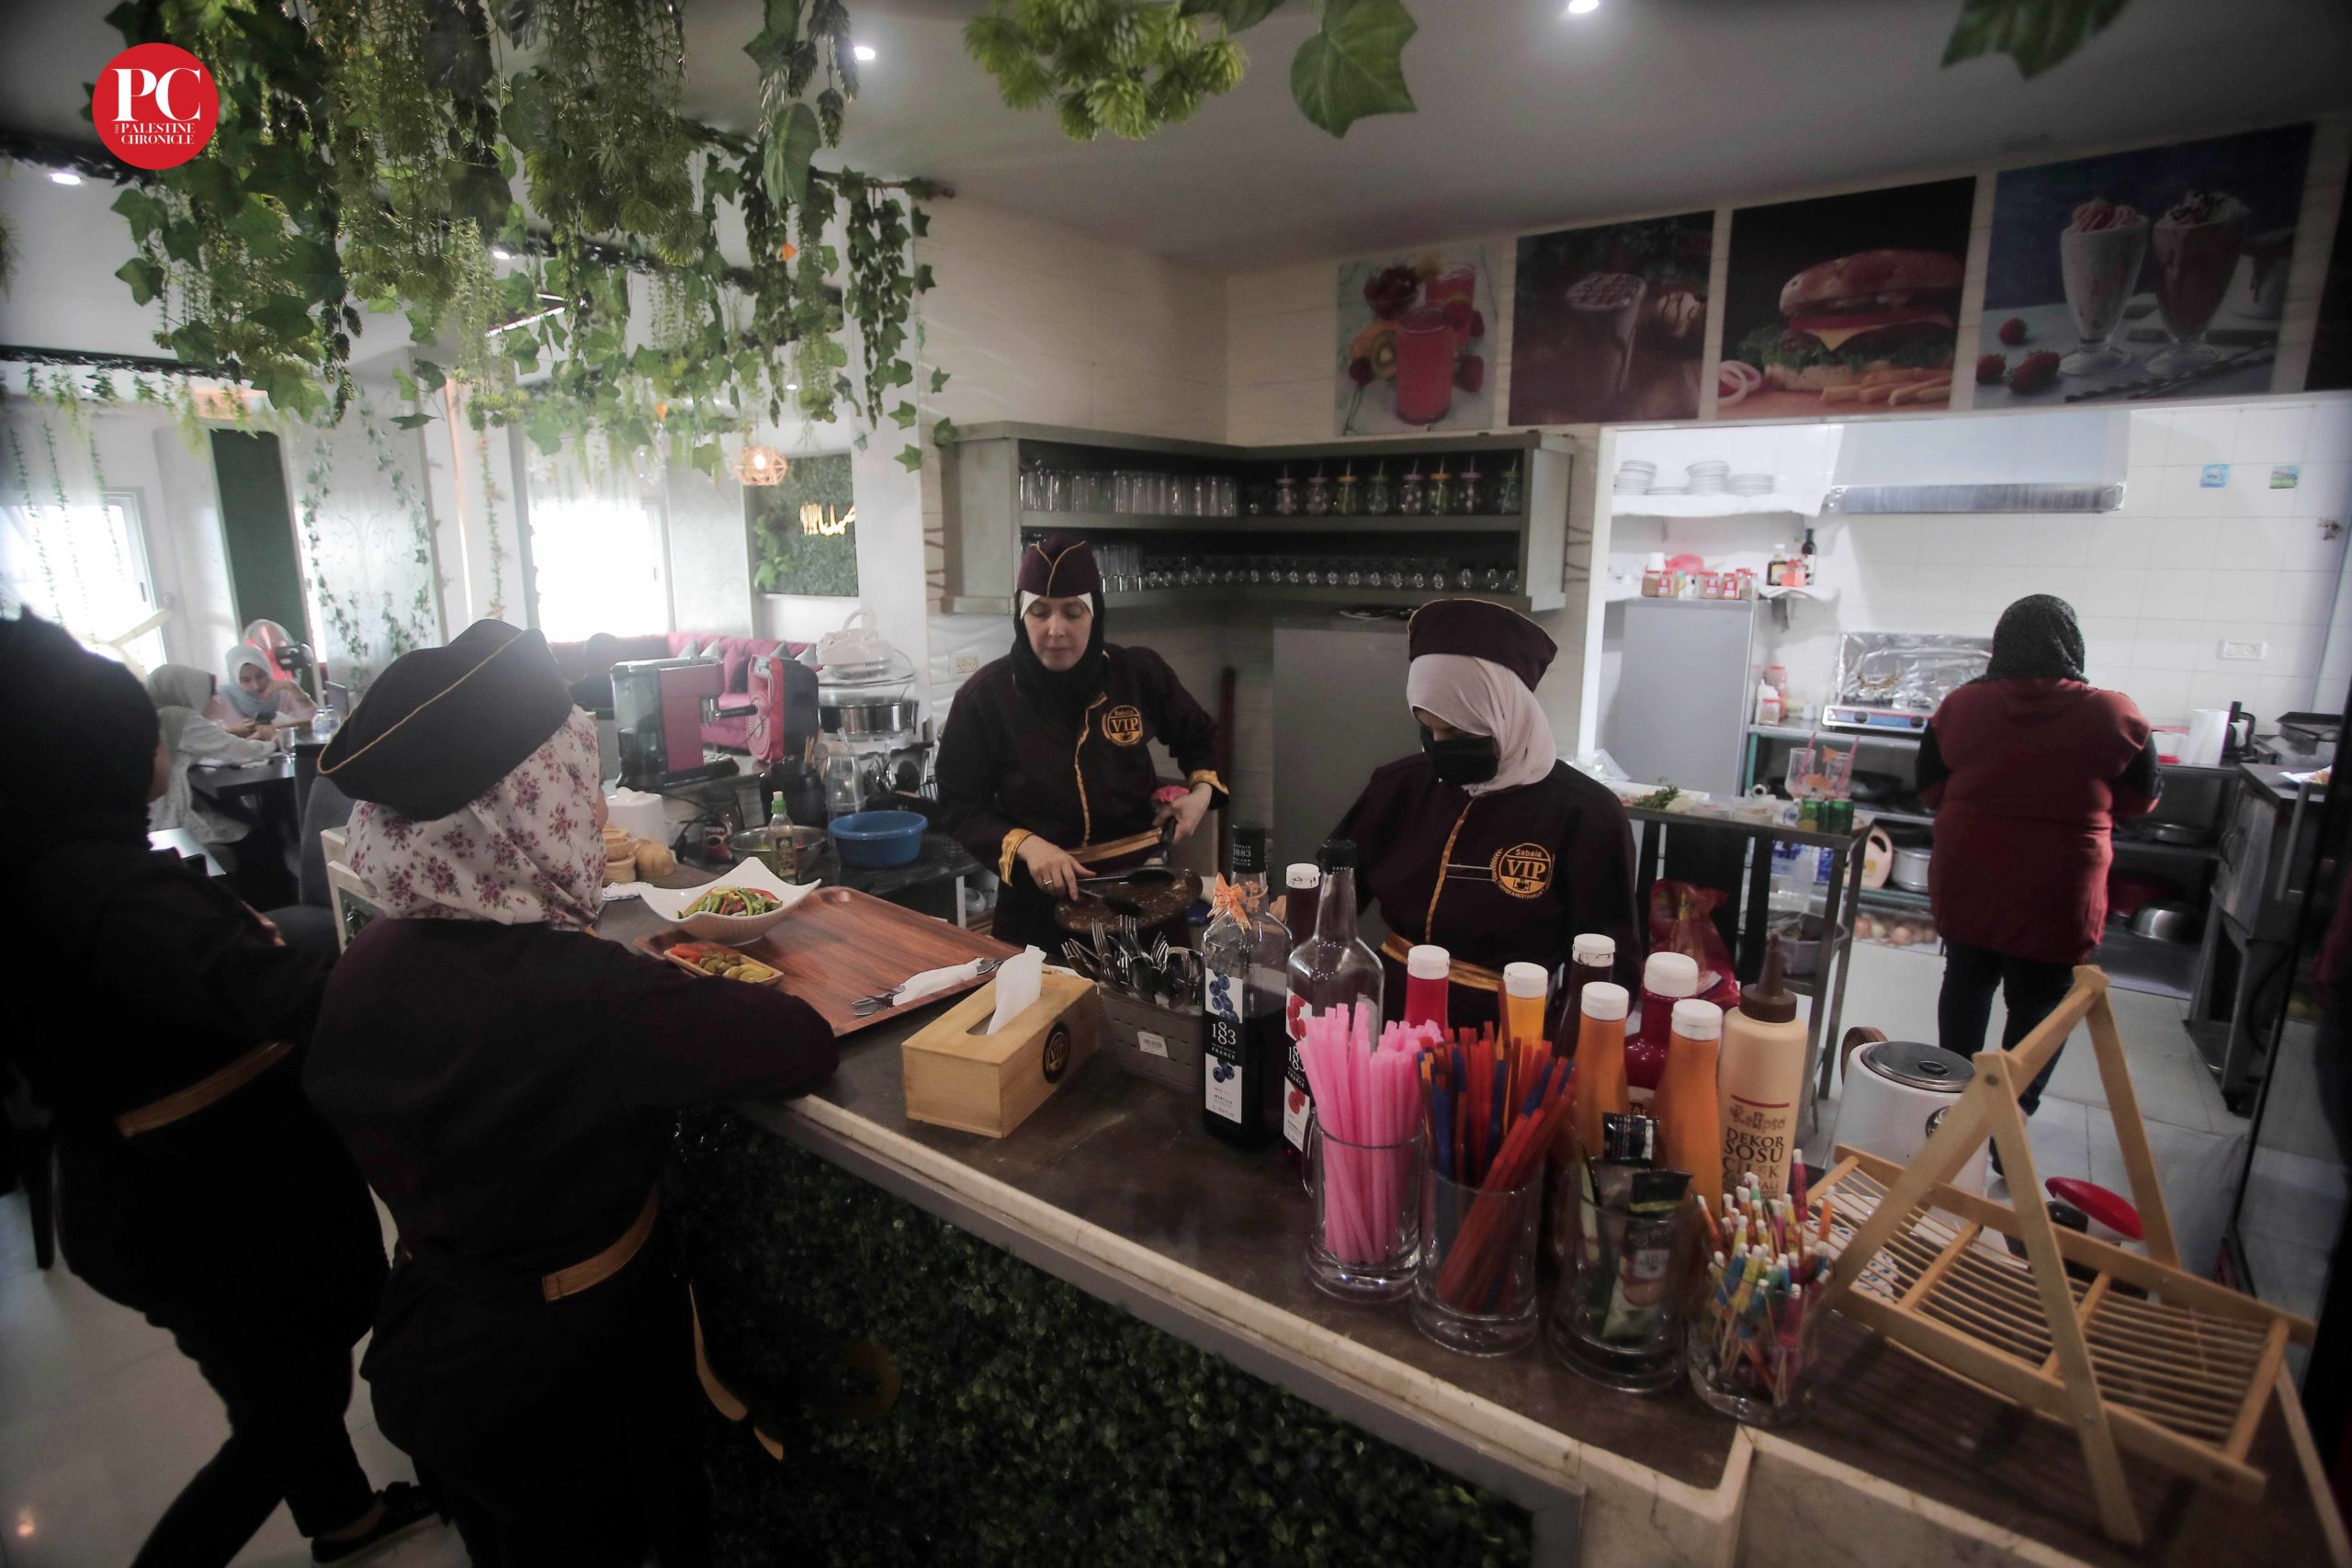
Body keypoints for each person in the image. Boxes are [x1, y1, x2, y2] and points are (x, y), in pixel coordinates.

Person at [302, 619, 842, 1565]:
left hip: (432, 1337)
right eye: (574, 785)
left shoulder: (364, 963)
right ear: (518, 813)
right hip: (572, 1374)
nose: (591, 810)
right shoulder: (582, 995)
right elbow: (796, 1043)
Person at [0, 615, 435, 1568]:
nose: (163, 744)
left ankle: (346, 1519)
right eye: (145, 735)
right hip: (189, 1203)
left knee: (275, 1382)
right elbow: (288, 996)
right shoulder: (110, 898)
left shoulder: (57, 871)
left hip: (149, 1186)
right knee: (286, 1410)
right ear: (101, 759)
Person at [1332, 600, 1639, 1032]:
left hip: (1508, 1033)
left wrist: (1558, 1048)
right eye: (1429, 729)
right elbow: (1333, 890)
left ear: (1506, 712)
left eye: (1458, 731)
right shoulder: (1398, 786)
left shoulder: (1585, 814)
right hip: (1388, 1017)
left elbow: (1610, 965)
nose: (1440, 747)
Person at [1921, 593, 2161, 1116]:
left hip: (1970, 874)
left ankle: (1949, 1112)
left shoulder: (1960, 706)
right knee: (2039, 1001)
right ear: (2073, 644)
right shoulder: (2113, 713)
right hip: (2058, 887)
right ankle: (2008, 1122)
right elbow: (2141, 801)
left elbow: (1930, 789)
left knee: (1966, 980)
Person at [936, 536, 1226, 949]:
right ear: (1021, 616)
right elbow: (960, 806)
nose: (1055, 630)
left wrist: (1200, 794)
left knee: (1162, 993)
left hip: (1144, 893)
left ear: (1095, 614)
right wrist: (1028, 846)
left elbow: (1201, 735)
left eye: (1073, 612)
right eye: (1039, 612)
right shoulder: (985, 697)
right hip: (1036, 906)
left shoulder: (1138, 673)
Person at [147, 663, 276, 856]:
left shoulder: (155, 714)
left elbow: (199, 747)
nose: (217, 699)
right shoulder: (178, 717)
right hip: (169, 822)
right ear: (190, 691)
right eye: (212, 693)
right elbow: (238, 751)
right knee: (255, 831)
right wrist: (274, 742)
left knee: (237, 814)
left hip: (150, 818)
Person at [218, 642, 316, 732]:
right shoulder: (223, 697)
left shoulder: (283, 690)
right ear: (236, 680)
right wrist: (233, 731)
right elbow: (209, 736)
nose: (256, 686)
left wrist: (293, 687)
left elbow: (316, 723)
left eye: (260, 676)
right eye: (246, 680)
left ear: (268, 670)